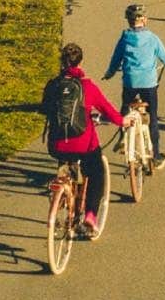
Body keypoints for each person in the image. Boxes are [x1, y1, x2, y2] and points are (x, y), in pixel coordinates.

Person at [43, 41, 123, 233]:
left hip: (57, 143)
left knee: (64, 164)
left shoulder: (53, 85)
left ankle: (61, 200)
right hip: (83, 144)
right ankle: (90, 215)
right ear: (80, 62)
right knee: (96, 173)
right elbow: (109, 110)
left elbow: (44, 108)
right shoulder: (87, 86)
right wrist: (123, 121)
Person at [103, 3, 165, 170]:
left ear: (129, 21)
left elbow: (116, 59)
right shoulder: (152, 38)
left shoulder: (124, 38)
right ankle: (157, 156)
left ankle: (123, 138)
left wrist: (109, 73)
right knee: (152, 116)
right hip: (148, 83)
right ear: (145, 20)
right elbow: (164, 55)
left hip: (130, 81)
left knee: (125, 107)